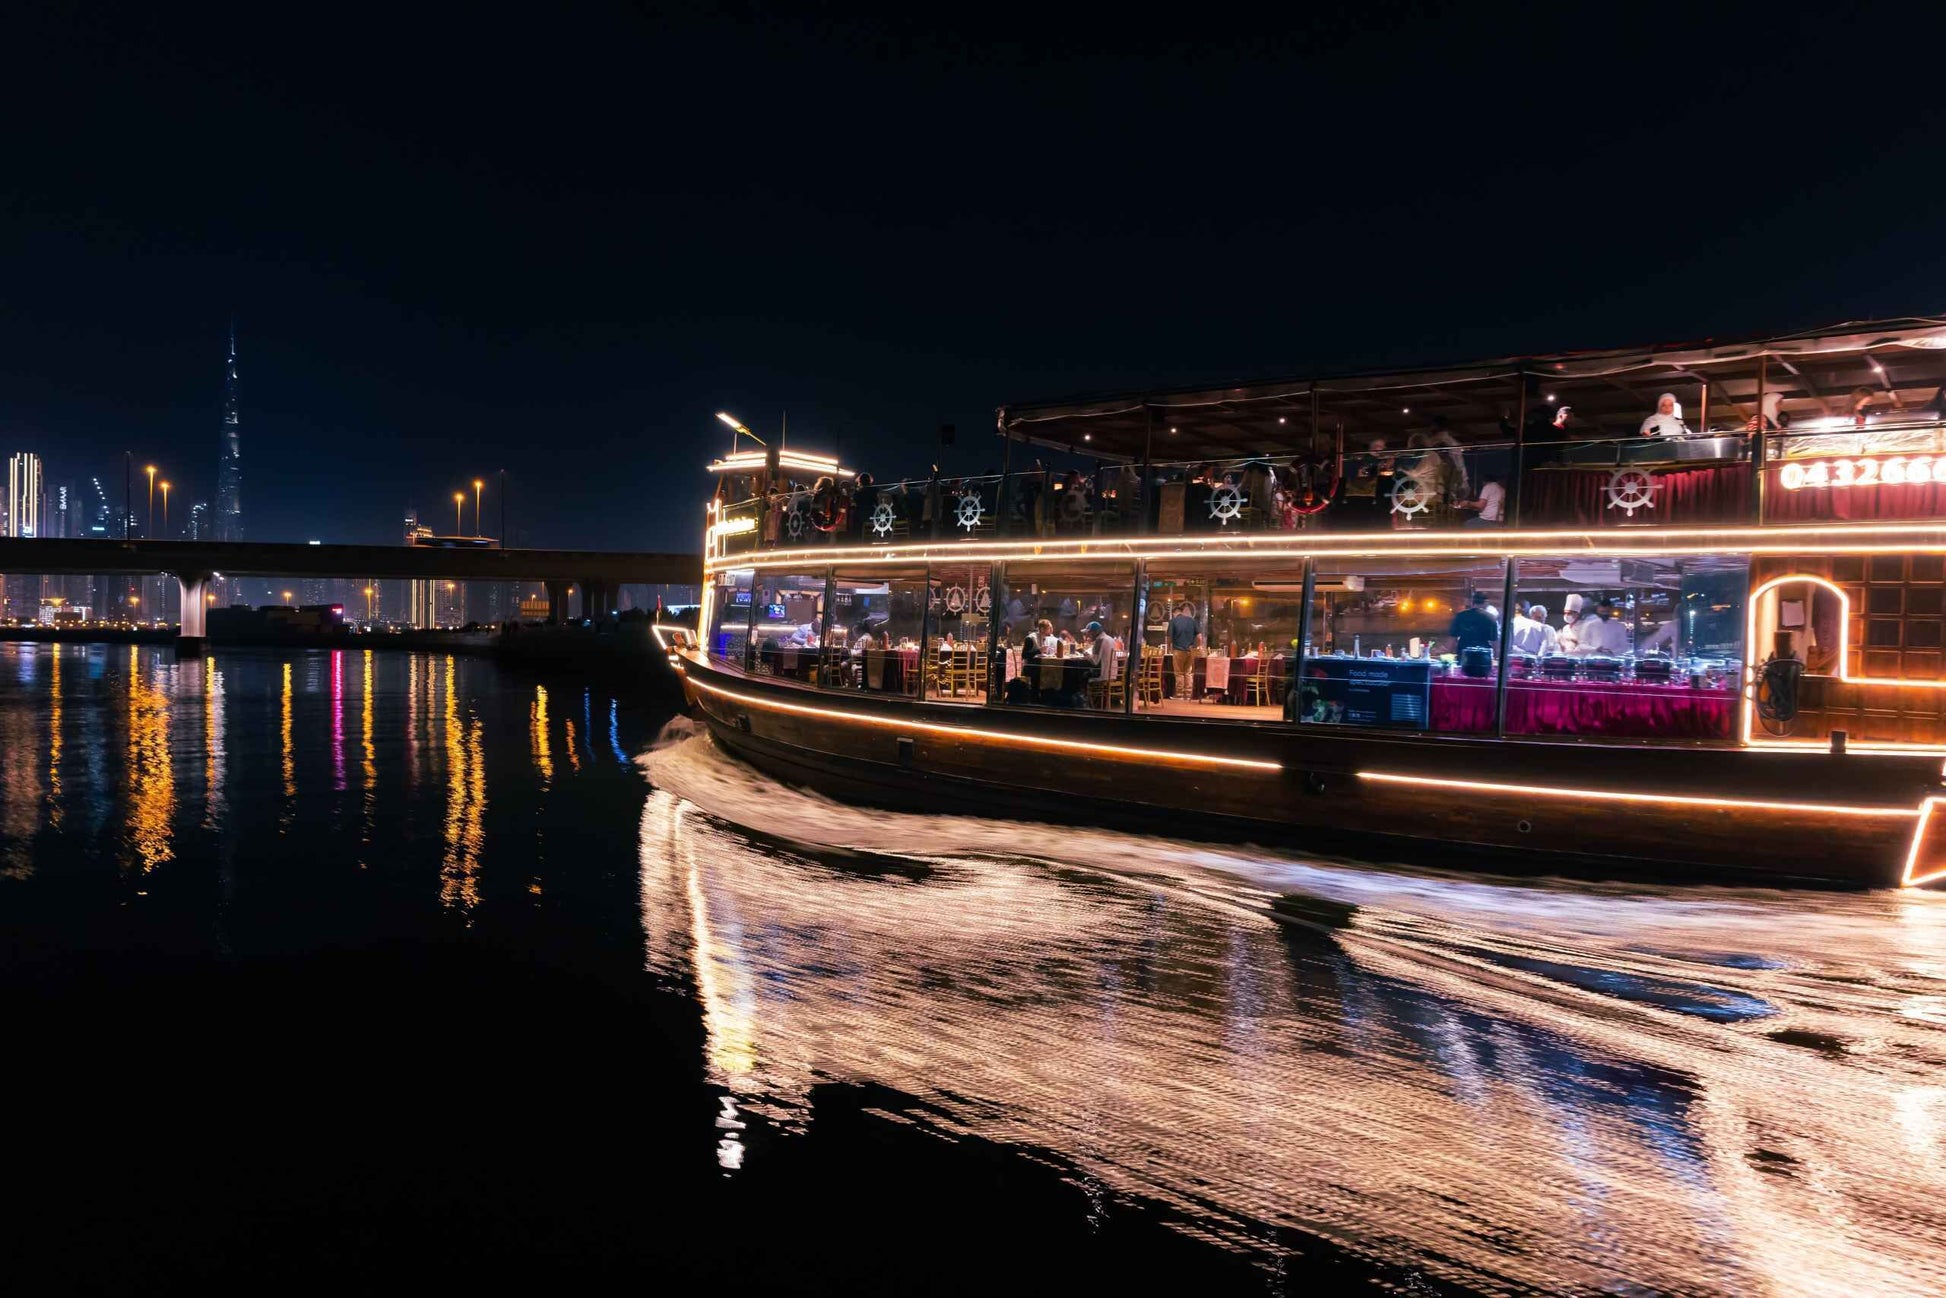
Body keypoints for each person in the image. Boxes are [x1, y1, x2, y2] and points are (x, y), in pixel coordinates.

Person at [1447, 590, 1499, 656]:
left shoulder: (1461, 616)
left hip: (1463, 653)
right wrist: (1496, 656)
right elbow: (1494, 641)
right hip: (1482, 656)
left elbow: (1452, 637)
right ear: (1486, 602)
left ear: (1473, 602)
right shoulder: (1490, 618)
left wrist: (1448, 654)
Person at [1167, 600, 1202, 699]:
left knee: (1179, 673)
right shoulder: (1192, 620)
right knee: (1188, 673)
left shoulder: (1173, 621)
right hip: (1190, 650)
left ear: (1174, 613)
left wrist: (1169, 647)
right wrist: (1198, 647)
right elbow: (1199, 637)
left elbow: (1169, 637)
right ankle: (1188, 694)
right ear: (1182, 612)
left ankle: (1179, 694)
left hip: (1178, 650)